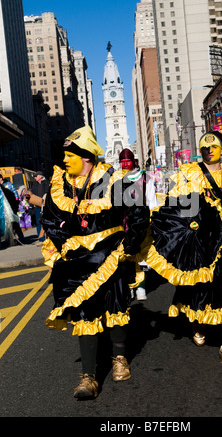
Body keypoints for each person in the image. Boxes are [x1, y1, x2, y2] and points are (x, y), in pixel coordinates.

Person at [41, 127, 149, 399]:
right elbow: (51, 218)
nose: (64, 161)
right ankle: (89, 377)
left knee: (116, 306)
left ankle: (120, 358)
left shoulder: (114, 179)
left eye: (69, 156)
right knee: (83, 312)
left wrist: (129, 246)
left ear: (86, 157)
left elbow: (138, 213)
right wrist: (63, 240)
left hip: (111, 254)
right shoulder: (61, 184)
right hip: (77, 258)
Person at [141, 131, 222, 369]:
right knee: (199, 288)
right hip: (200, 240)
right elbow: (177, 203)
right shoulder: (190, 173)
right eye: (204, 148)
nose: (209, 150)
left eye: (214, 147)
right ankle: (197, 324)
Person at [119, 148, 159, 301]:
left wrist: (152, 219)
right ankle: (129, 287)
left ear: (133, 161)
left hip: (141, 222)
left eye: (127, 161)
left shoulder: (144, 178)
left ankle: (141, 287)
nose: (125, 165)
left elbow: (151, 200)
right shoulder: (117, 178)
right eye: (122, 162)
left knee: (141, 256)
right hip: (123, 223)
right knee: (126, 257)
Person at [29, 171, 50, 245]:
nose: (35, 178)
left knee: (46, 222)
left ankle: (47, 238)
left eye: (36, 176)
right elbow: (32, 193)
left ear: (40, 176)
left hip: (45, 206)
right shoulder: (34, 184)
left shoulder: (47, 183)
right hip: (37, 206)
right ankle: (41, 239)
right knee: (39, 222)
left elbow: (48, 192)